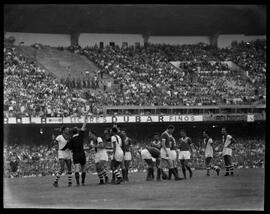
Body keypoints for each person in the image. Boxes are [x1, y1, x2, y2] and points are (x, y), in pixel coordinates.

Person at [61, 115, 87, 186]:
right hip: (82, 153)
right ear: (77, 131)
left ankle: (78, 183)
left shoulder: (71, 139)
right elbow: (83, 127)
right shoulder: (80, 135)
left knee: (77, 169)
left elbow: (69, 148)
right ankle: (83, 182)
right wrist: (85, 119)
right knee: (83, 168)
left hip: (76, 154)